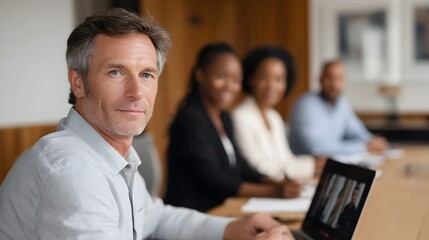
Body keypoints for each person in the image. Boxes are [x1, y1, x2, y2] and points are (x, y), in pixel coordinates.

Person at [0, 9, 294, 240]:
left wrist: (232, 230)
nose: (136, 93)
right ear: (78, 82)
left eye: (147, 75)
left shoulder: (109, 154)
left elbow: (157, 217)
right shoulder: (74, 174)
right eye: (116, 72)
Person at [164, 43, 302, 212]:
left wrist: (275, 182)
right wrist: (275, 191)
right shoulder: (190, 119)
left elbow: (242, 168)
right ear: (200, 75)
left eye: (236, 80)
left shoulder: (224, 118)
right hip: (192, 215)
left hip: (220, 210)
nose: (230, 86)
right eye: (221, 76)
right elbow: (214, 180)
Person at [231, 46, 326, 182]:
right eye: (264, 78)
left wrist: (317, 162)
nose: (272, 86)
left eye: (279, 79)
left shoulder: (273, 116)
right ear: (251, 79)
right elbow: (259, 168)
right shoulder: (240, 117)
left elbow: (286, 160)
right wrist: (313, 164)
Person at [288, 60, 388, 156]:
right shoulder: (306, 105)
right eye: (330, 78)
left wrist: (374, 142)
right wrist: (364, 147)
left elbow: (358, 131)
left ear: (344, 82)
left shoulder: (342, 105)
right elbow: (317, 148)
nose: (334, 84)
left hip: (329, 165)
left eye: (339, 78)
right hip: (304, 168)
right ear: (320, 79)